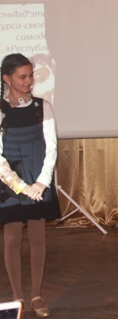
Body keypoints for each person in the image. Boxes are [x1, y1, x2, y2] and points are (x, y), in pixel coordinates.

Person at [0, 53, 61, 318]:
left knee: (38, 238)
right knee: (12, 238)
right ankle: (17, 297)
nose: (28, 81)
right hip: (11, 183)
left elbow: (51, 147)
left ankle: (36, 295)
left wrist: (41, 183)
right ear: (7, 79)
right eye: (22, 77)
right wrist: (21, 186)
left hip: (38, 179)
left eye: (30, 76)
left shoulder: (42, 106)